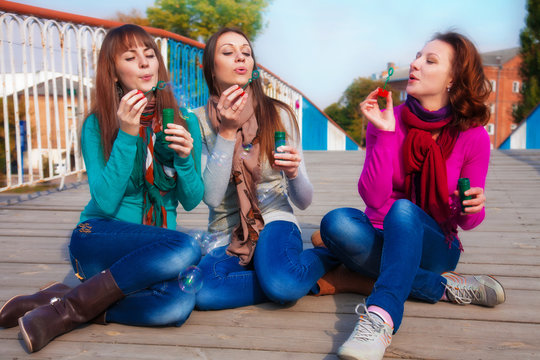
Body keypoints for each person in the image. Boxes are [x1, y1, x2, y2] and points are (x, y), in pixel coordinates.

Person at [0, 24, 203, 352]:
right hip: (97, 238)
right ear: (113, 73)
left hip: (152, 252)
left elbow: (192, 200)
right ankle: (66, 312)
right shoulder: (97, 124)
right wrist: (127, 133)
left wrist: (183, 158)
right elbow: (106, 202)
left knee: (176, 306)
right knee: (187, 247)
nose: (144, 63)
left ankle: (62, 296)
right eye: (130, 57)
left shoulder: (185, 122)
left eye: (149, 55)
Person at [318, 32, 506, 360]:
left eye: (429, 61)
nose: (415, 64)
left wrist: (474, 207)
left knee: (403, 211)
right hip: (378, 232)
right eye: (418, 56)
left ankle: (379, 318)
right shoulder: (387, 117)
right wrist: (386, 133)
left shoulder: (472, 136)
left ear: (453, 80)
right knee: (335, 224)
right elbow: (374, 199)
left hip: (436, 245)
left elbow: (468, 220)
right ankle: (444, 288)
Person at [191, 27, 339, 310]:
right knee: (203, 293)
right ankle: (280, 271)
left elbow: (304, 201)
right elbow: (210, 196)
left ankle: (329, 257)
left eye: (246, 52)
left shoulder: (278, 113)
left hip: (274, 219)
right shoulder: (197, 122)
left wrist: (294, 174)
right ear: (211, 68)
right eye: (228, 52)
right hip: (226, 231)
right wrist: (227, 130)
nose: (240, 57)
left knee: (283, 285)